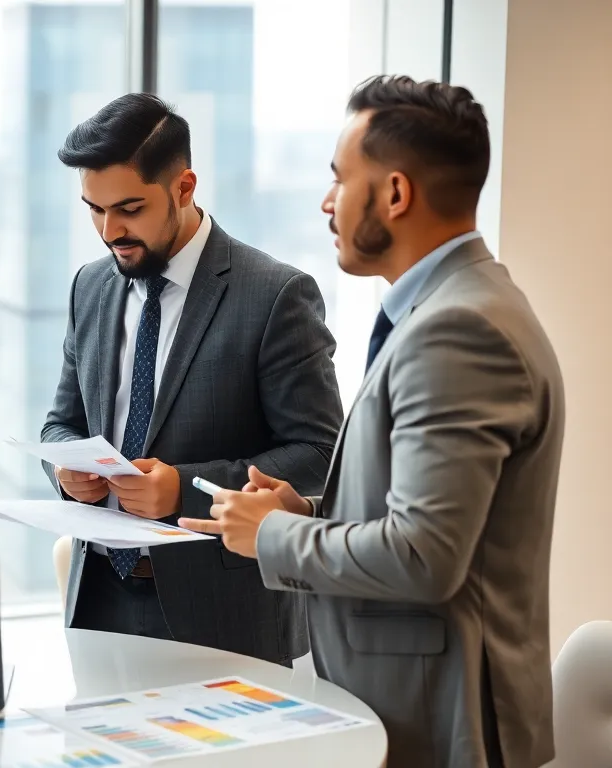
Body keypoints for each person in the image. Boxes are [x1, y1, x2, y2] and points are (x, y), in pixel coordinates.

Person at [183, 75, 564, 768]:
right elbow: (430, 518)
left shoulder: (459, 330)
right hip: (409, 708)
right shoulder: (454, 307)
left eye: (339, 178)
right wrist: (308, 511)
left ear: (394, 193)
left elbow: (424, 556)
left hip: (441, 725)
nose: (327, 202)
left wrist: (272, 535)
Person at [42, 93, 343, 665]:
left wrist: (181, 488)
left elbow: (320, 455)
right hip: (99, 598)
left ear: (184, 187)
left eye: (129, 208)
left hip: (223, 611)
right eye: (94, 209)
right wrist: (66, 469)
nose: (109, 231)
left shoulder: (275, 295)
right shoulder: (90, 286)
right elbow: (61, 425)